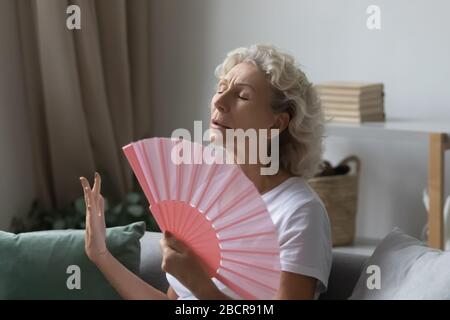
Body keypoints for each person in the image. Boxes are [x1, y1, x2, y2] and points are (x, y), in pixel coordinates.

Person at [80, 44, 332, 300]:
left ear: (277, 123)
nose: (220, 102)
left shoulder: (298, 211)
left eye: (242, 96)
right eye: (221, 89)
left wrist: (199, 283)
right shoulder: (204, 197)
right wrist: (101, 255)